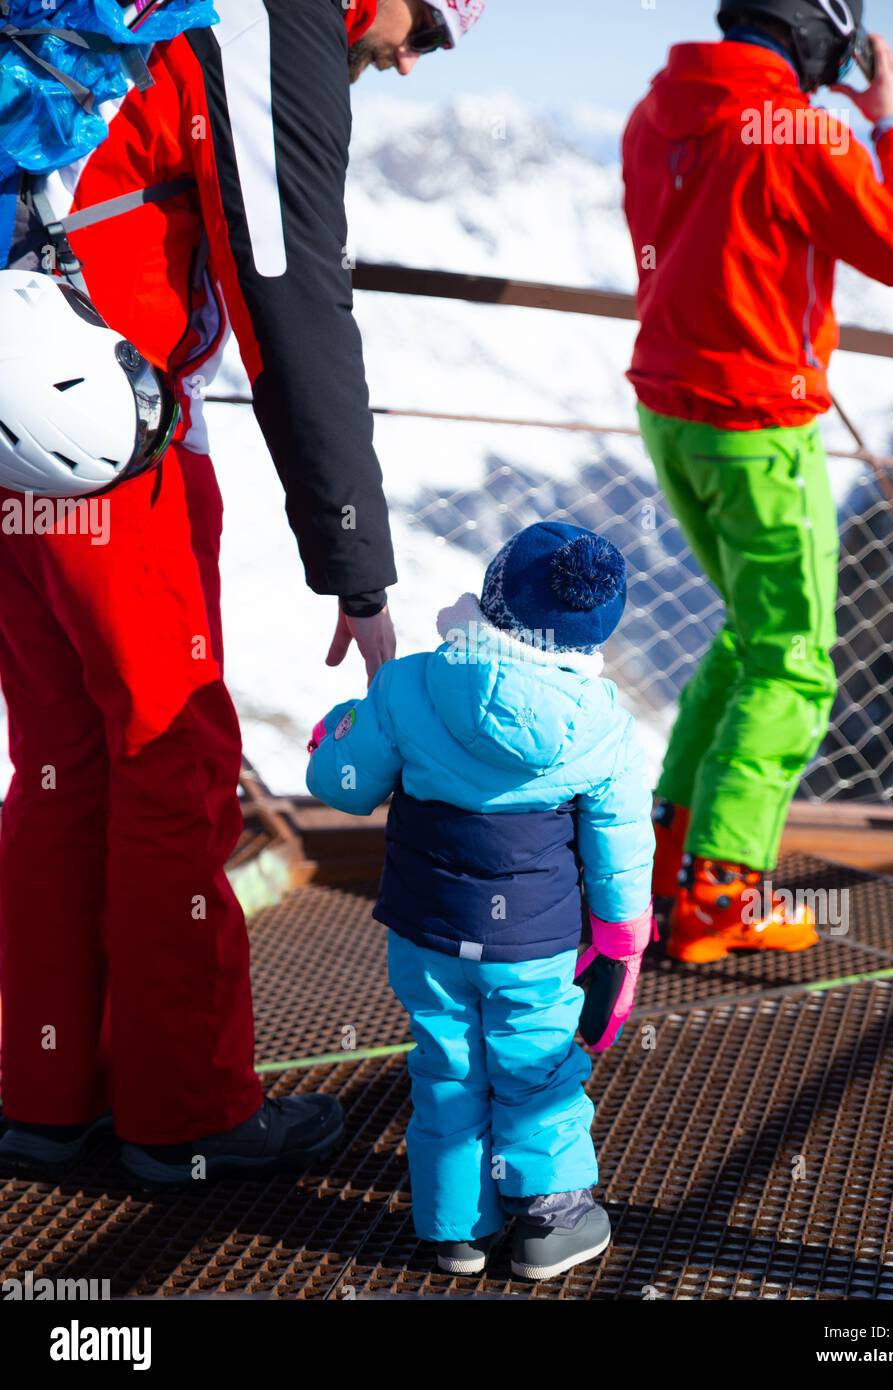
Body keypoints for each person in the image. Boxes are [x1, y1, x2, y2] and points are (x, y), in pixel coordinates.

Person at [0, 0, 484, 1183]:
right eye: (432, 20)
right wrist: (359, 571)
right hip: (107, 430)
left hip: (16, 422)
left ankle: (46, 1095)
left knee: (58, 763)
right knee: (171, 760)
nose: (415, 56)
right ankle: (189, 1117)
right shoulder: (265, 22)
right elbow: (290, 292)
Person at [622, 0, 893, 963]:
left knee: (746, 636)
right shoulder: (801, 131)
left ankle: (664, 854)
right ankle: (719, 900)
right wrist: (889, 120)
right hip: (758, 425)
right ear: (820, 34)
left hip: (671, 414)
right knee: (794, 663)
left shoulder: (657, 109)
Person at [307, 523, 654, 1281]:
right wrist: (622, 939)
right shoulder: (600, 727)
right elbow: (620, 843)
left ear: (493, 595)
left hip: (427, 936)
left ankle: (456, 1231)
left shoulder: (407, 686)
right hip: (536, 947)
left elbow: (345, 787)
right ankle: (550, 1222)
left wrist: (334, 734)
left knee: (445, 1066)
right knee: (536, 1069)